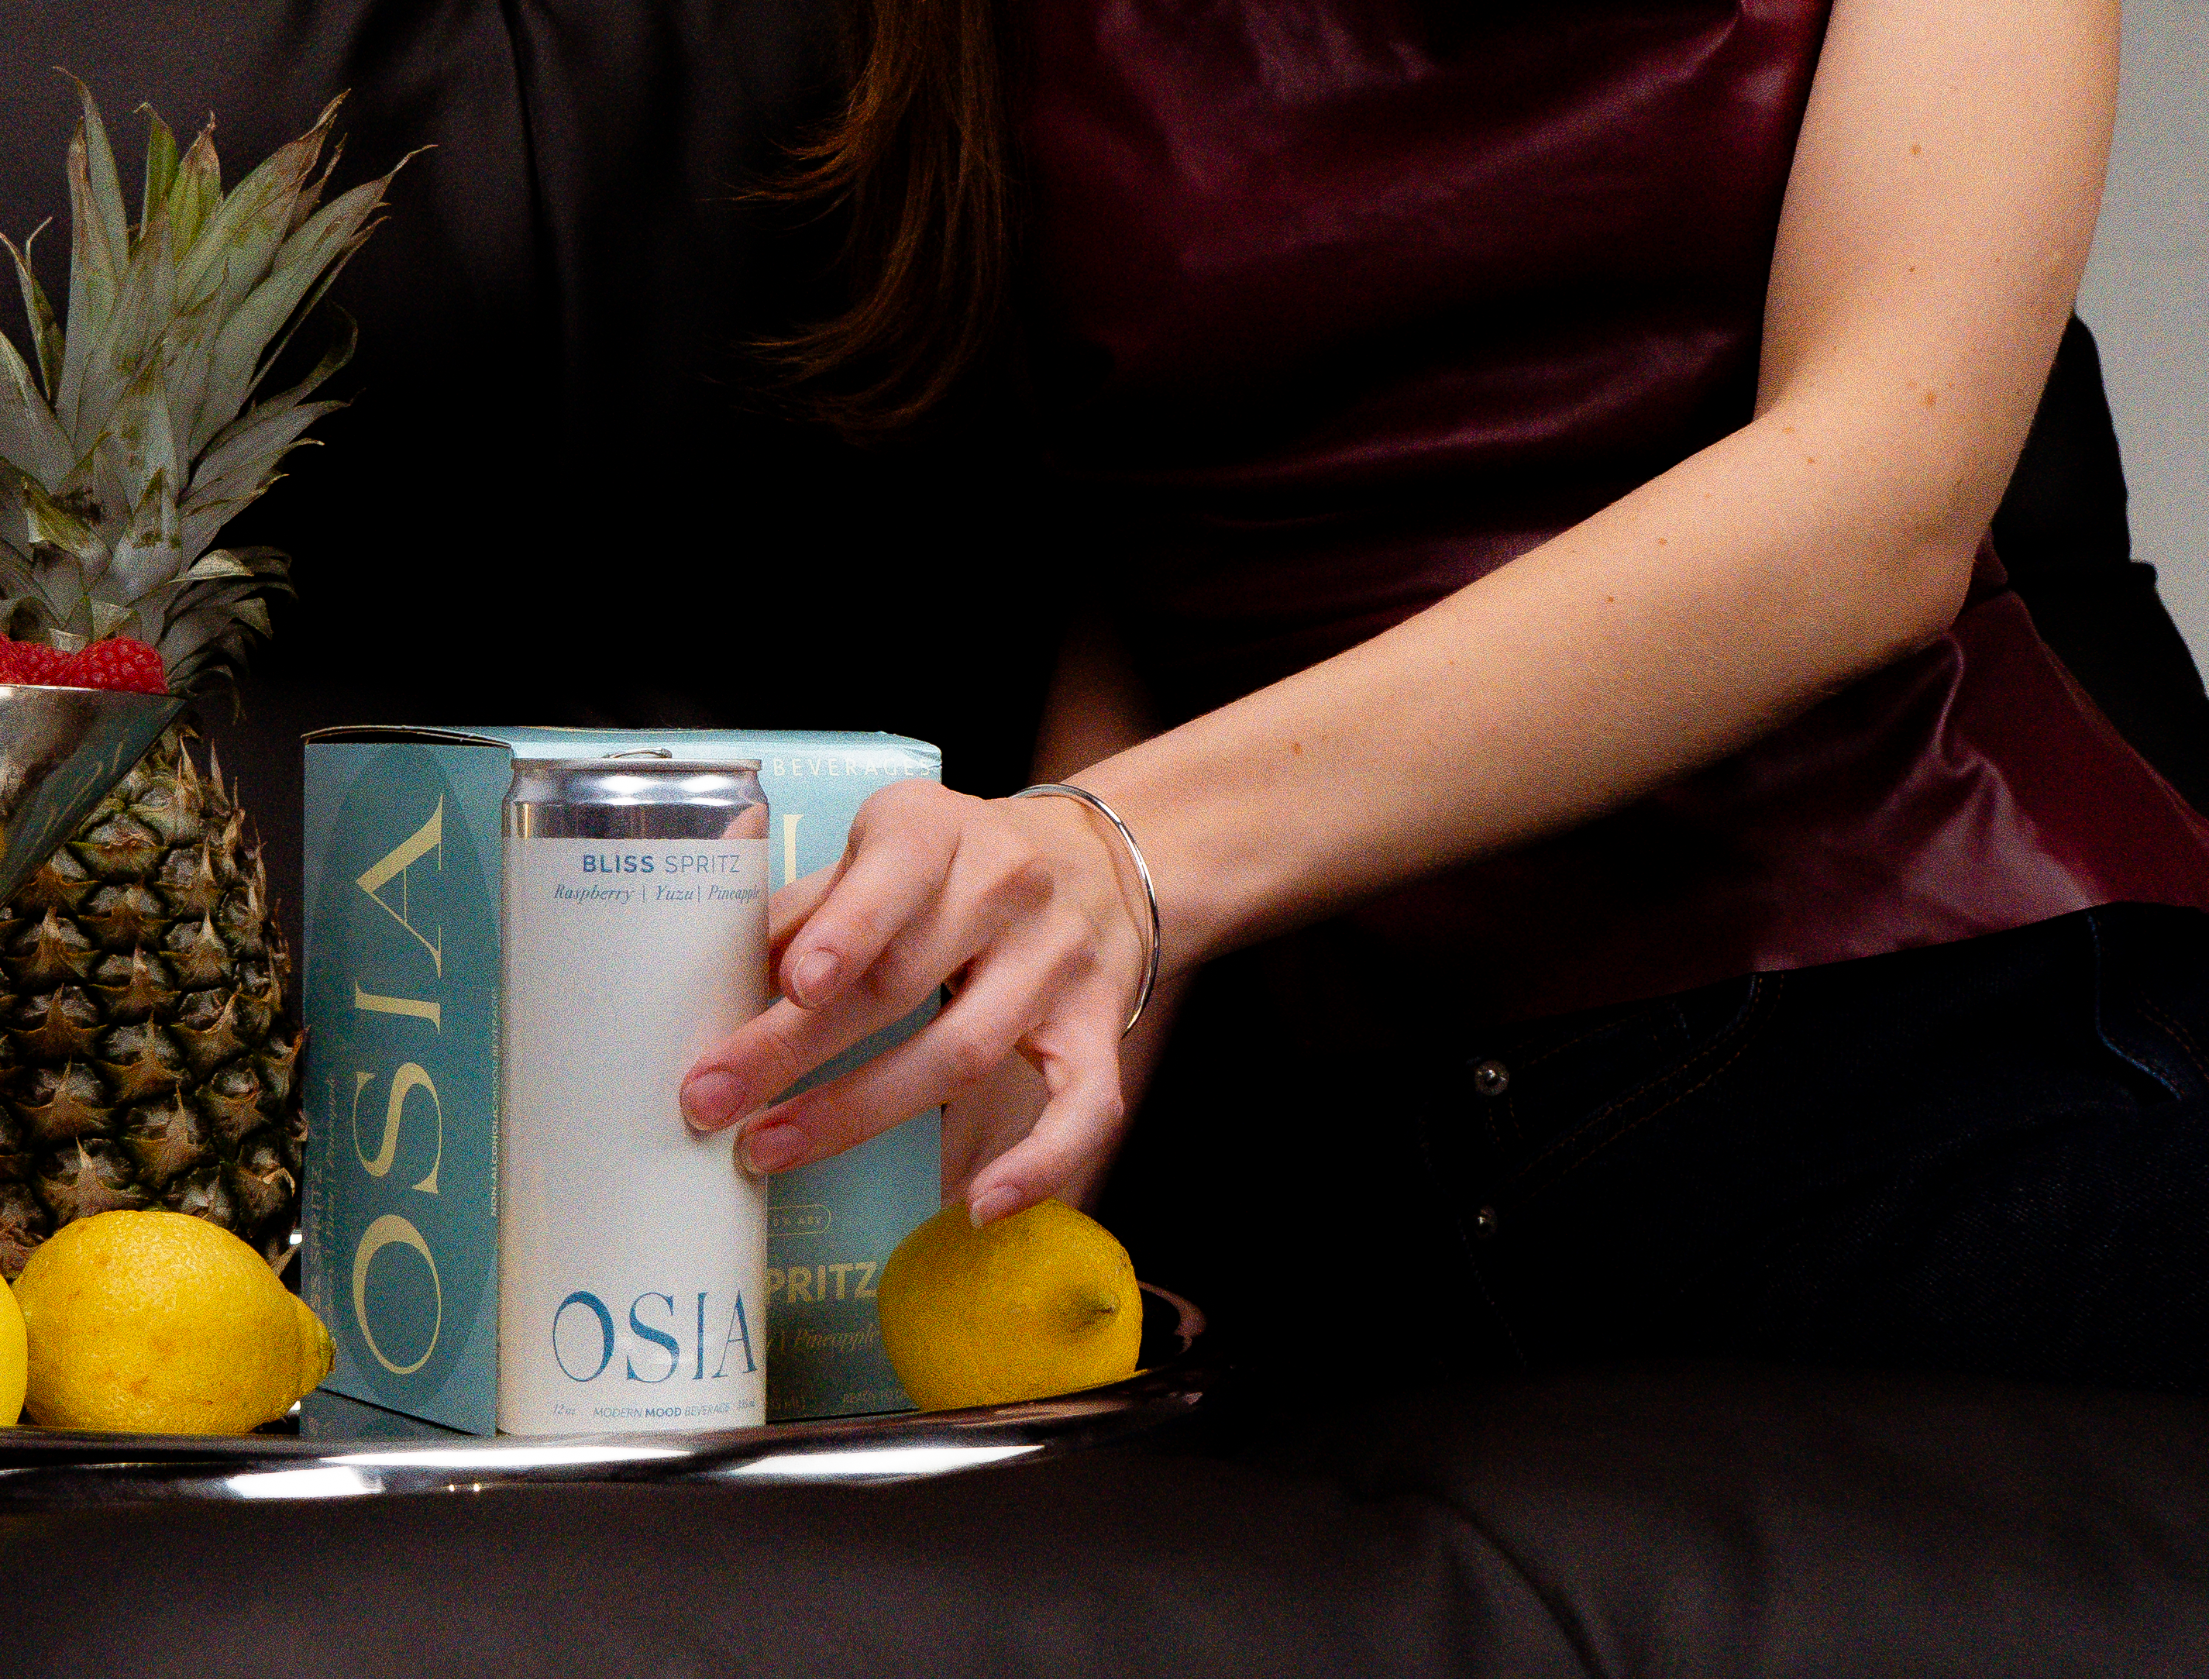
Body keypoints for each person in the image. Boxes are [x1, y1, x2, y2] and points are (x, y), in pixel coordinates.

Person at [680, 0, 2209, 1396]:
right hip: (1354, 1155)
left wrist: (1121, 856)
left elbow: (1877, 514)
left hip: (1917, 1037)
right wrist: (1028, 1104)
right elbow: (1169, 523)